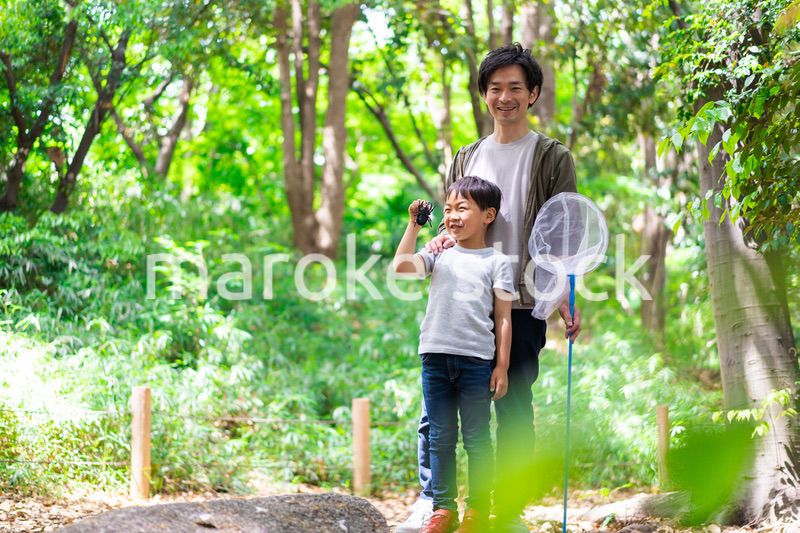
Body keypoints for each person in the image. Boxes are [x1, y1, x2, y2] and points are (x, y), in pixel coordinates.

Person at [396, 43, 582, 533]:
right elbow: (453, 217)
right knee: (437, 411)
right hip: (463, 301)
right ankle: (434, 502)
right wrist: (436, 241)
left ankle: (508, 512)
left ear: (533, 93)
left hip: (522, 300)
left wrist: (566, 294)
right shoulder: (467, 155)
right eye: (495, 88)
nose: (505, 98)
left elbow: (564, 229)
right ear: (484, 94)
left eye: (515, 88)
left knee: (513, 407)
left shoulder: (552, 157)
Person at [393, 176, 514, 533]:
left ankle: (478, 510)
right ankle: (443, 509)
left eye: (462, 208)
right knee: (440, 437)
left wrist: (502, 366)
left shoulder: (497, 261)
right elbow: (401, 268)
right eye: (448, 209)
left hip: (476, 361)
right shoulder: (439, 252)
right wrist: (414, 227)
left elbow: (504, 318)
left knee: (477, 438)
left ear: (488, 215)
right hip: (434, 357)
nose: (452, 216)